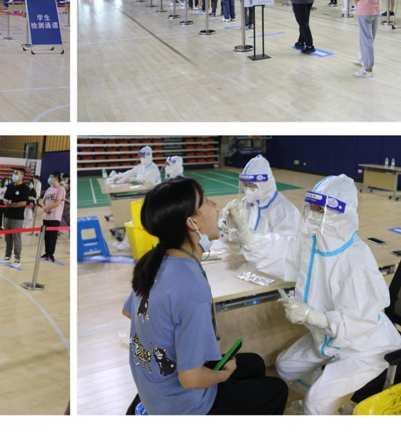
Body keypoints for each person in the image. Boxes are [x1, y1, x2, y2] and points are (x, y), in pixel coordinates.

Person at [232, 175, 401, 415]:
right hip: (326, 338)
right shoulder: (313, 242)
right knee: (285, 366)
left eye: (320, 210)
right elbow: (283, 251)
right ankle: (331, 401)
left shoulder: (355, 260)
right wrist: (246, 233)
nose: (312, 214)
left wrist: (313, 316)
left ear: (340, 214)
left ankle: (322, 404)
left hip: (363, 347)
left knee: (315, 402)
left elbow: (362, 320)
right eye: (311, 207)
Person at [123, 177, 289, 415]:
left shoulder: (155, 260)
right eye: (207, 201)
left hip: (152, 387)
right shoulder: (190, 286)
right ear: (193, 222)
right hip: (181, 405)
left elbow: (128, 311)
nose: (215, 205)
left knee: (254, 363)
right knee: (277, 390)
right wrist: (223, 375)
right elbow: (190, 379)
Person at [220, 155, 303, 273]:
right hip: (247, 263)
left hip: (273, 269)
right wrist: (228, 225)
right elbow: (237, 237)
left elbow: (285, 249)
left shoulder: (285, 211)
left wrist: (251, 239)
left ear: (265, 184)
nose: (247, 189)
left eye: (252, 185)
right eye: (245, 185)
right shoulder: (246, 203)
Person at [109, 146, 162, 251]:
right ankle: (128, 243)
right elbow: (130, 172)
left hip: (152, 198)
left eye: (143, 156)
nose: (141, 158)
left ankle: (126, 245)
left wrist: (131, 179)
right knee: (134, 216)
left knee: (135, 218)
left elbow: (146, 181)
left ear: (148, 156)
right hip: (142, 195)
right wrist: (119, 176)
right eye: (140, 156)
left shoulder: (154, 169)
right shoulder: (141, 166)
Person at [352, 0, 381, 78]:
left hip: (365, 10)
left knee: (366, 40)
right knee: (370, 40)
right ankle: (364, 58)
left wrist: (358, 5)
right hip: (376, 10)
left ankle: (368, 69)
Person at [0, 167, 30, 267]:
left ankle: (17, 259)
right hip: (8, 215)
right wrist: (6, 202)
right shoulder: (10, 186)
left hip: (17, 217)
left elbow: (23, 203)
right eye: (14, 173)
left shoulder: (24, 188)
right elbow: (5, 198)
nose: (14, 175)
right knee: (8, 238)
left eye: (17, 173)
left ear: (22, 176)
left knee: (16, 238)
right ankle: (7, 255)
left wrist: (12, 205)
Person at [39, 172, 67, 262]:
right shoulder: (49, 189)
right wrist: (44, 208)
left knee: (52, 237)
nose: (49, 178)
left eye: (51, 177)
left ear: (56, 178)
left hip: (55, 217)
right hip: (46, 217)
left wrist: (47, 208)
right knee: (46, 236)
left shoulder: (61, 189)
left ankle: (50, 254)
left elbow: (57, 202)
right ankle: (46, 252)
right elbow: (42, 201)